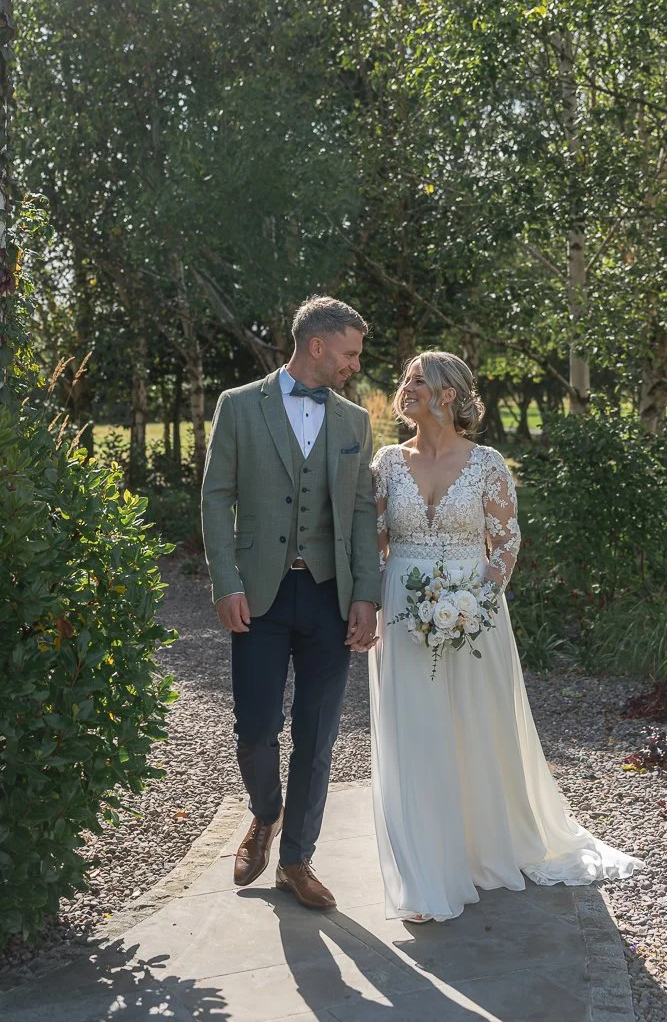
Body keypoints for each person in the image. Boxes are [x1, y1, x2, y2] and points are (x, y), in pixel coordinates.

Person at [369, 351, 643, 923]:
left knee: (477, 729)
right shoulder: (387, 464)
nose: (406, 387)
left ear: (449, 394)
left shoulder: (488, 464)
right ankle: (426, 874)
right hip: (401, 613)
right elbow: (372, 543)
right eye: (406, 380)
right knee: (413, 735)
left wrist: (473, 604)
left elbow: (506, 548)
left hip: (475, 616)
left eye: (419, 380)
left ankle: (484, 851)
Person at [201, 296, 381, 910]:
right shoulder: (239, 406)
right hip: (260, 592)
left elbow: (359, 512)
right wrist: (226, 583)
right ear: (318, 347)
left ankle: (297, 860)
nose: (355, 365)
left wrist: (367, 596)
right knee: (254, 727)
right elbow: (216, 497)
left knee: (317, 734)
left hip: (330, 596)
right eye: (351, 353)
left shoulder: (355, 422)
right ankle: (265, 812)